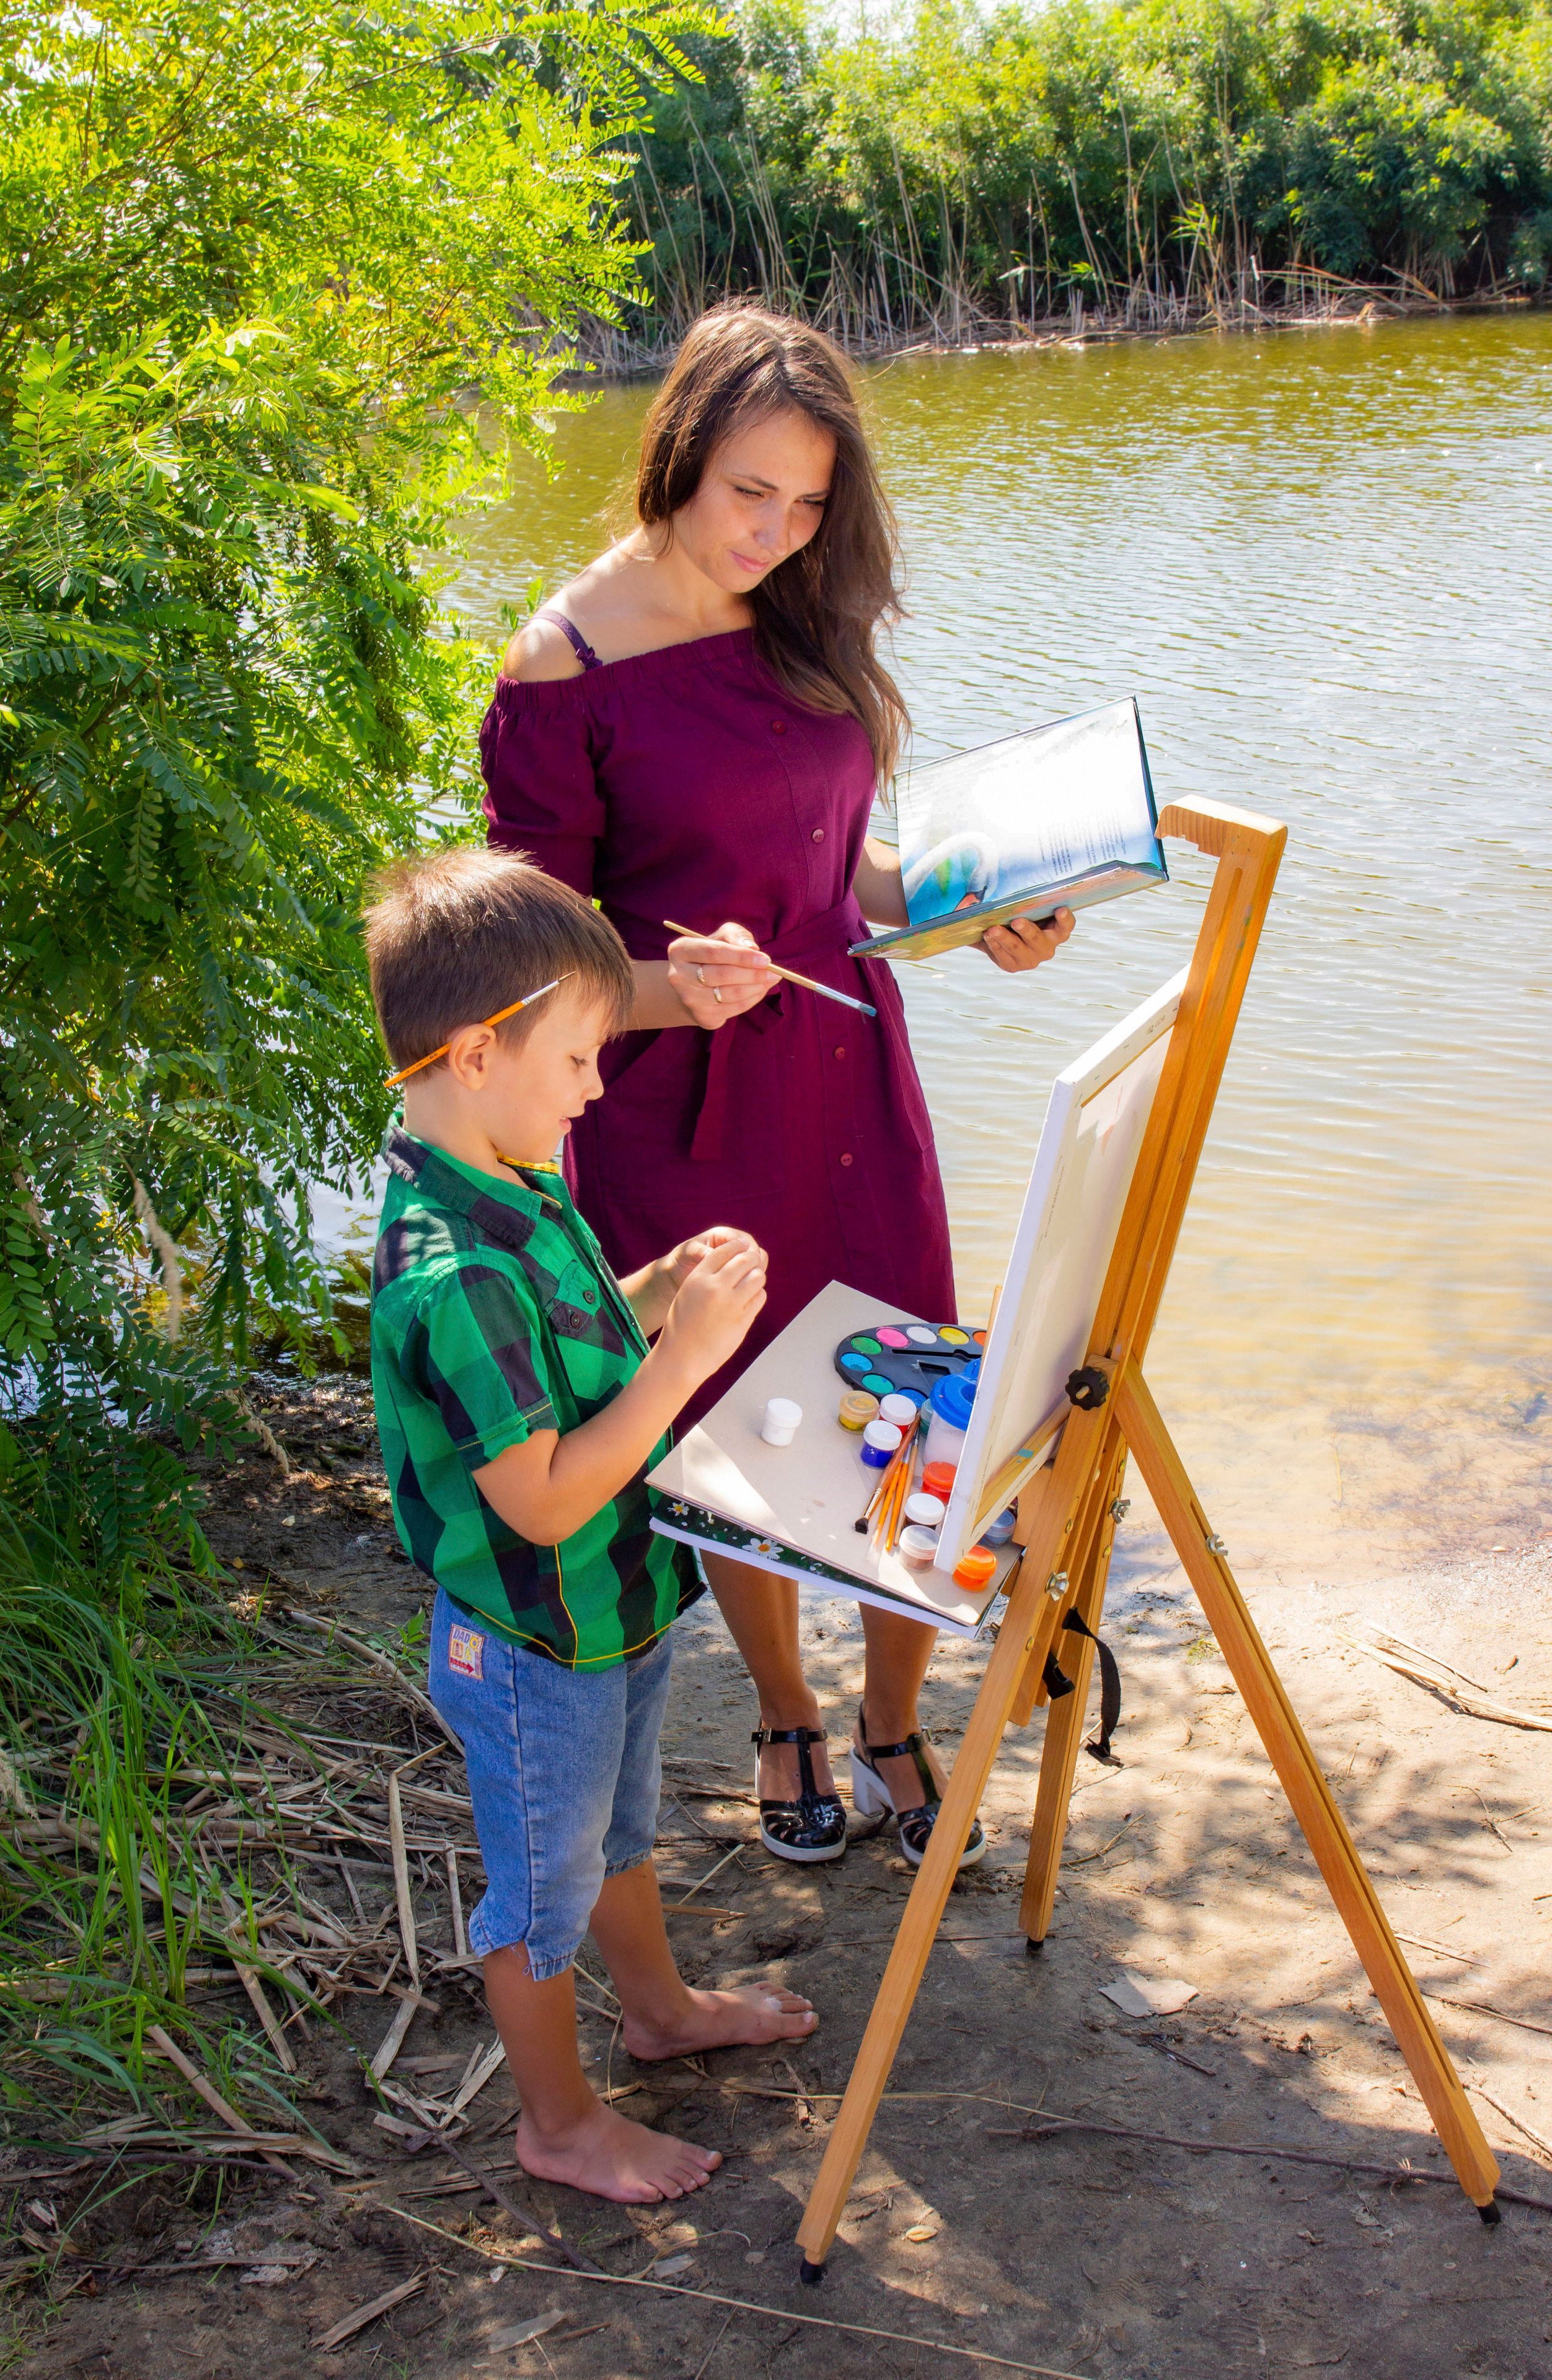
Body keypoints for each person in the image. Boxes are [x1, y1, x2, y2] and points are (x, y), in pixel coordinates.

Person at [482, 304, 1074, 1872]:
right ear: (675, 453)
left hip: (846, 1068)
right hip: (678, 1109)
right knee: (742, 1413)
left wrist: (965, 905)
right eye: (750, 491)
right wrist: (675, 988)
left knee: (906, 1401)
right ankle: (783, 1711)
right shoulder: (564, 664)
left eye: (808, 503)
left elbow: (845, 866)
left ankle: (891, 1717)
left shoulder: (800, 614)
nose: (776, 530)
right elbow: (536, 965)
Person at [366, 847, 818, 2205]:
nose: (597, 1082)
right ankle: (556, 2127)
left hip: (609, 1605)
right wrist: (678, 1368)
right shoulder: (448, 1271)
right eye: (578, 1057)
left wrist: (660, 1285)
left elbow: (565, 1355)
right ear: (474, 1053)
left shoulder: (514, 1169)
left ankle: (662, 2009)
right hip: (527, 1643)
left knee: (620, 1832)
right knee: (539, 1896)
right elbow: (543, 1489)